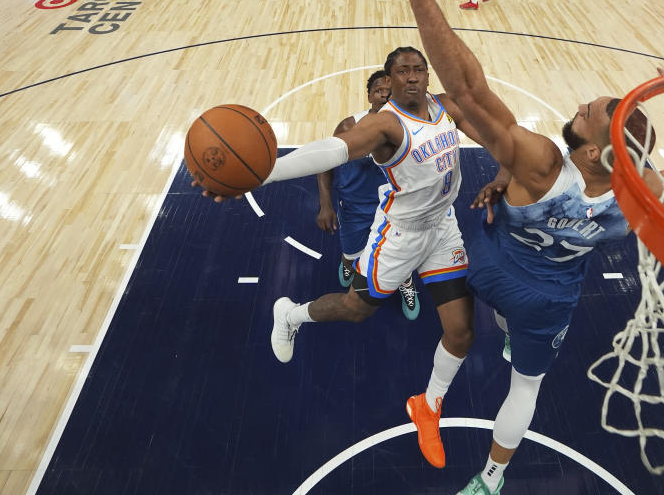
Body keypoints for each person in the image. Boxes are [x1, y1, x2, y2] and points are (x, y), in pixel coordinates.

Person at [396, 0, 664, 495]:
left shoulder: (541, 161)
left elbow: (466, 89)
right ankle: (490, 481)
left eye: (588, 112)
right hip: (549, 299)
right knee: (526, 386)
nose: (581, 106)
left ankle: (420, 367)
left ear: (590, 149)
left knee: (435, 224)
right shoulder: (636, 189)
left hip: (487, 262)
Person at [194, 46, 486, 471]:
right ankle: (291, 315)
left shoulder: (447, 107)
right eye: (401, 71)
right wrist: (262, 172)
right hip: (399, 236)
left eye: (417, 69)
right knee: (355, 310)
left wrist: (511, 170)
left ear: (427, 74)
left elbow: (496, 135)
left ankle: (428, 405)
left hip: (443, 228)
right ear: (389, 81)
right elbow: (333, 151)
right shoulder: (384, 124)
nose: (410, 76)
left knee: (461, 334)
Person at [315, 70, 421, 320]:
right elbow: (324, 163)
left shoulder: (412, 127)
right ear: (369, 96)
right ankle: (349, 262)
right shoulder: (349, 126)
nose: (384, 96)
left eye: (390, 91)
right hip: (354, 208)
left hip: (396, 209)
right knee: (352, 252)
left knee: (401, 254)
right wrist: (325, 204)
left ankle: (405, 282)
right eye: (378, 91)